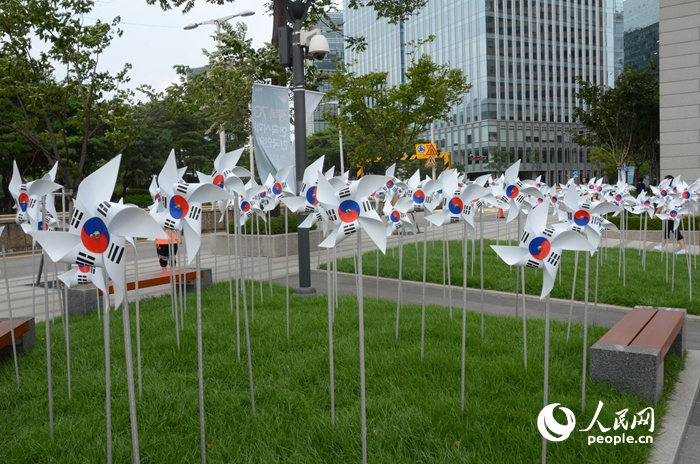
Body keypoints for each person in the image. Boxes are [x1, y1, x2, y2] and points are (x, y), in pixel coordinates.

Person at [654, 175, 687, 254]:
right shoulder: (675, 191)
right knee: (667, 229)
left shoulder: (667, 192)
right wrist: (683, 213)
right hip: (673, 214)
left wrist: (656, 213)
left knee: (675, 230)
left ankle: (684, 249)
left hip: (671, 214)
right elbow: (680, 202)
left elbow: (662, 204)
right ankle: (662, 246)